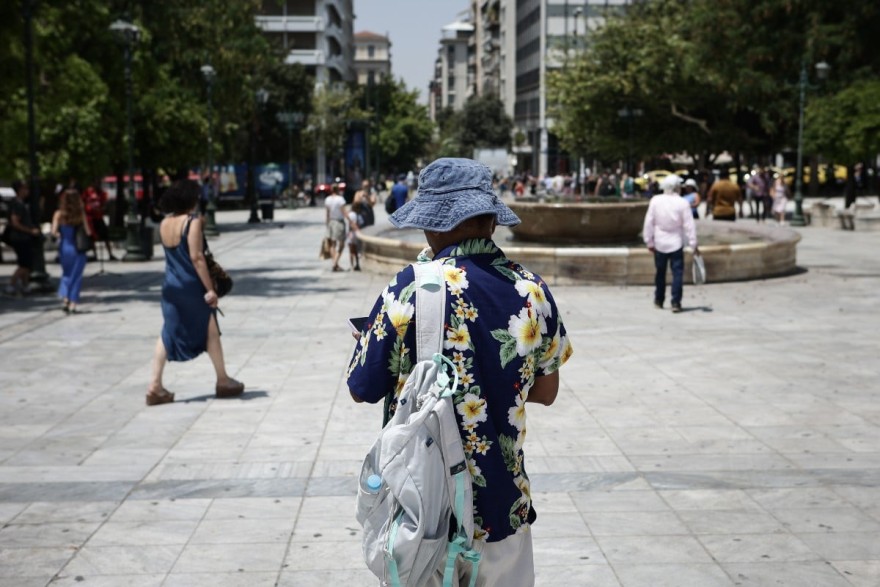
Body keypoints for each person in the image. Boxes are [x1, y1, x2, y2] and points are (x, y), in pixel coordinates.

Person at [347, 158, 573, 586]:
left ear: (433, 226)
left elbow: (362, 386)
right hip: (504, 506)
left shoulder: (409, 288)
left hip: (425, 513)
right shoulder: (532, 290)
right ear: (491, 222)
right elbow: (547, 391)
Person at [147, 179, 244, 406]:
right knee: (210, 329)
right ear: (190, 200)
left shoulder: (164, 223)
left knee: (167, 332)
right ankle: (223, 380)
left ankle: (154, 386)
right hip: (192, 286)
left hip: (170, 286)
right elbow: (197, 257)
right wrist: (210, 289)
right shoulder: (192, 222)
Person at [643, 174, 699, 313]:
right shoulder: (683, 203)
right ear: (676, 188)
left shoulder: (655, 200)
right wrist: (693, 244)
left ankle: (659, 300)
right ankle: (676, 302)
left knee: (660, 273)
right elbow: (689, 225)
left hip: (660, 243)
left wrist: (648, 241)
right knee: (677, 274)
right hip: (676, 243)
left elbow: (649, 222)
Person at [51, 189, 91, 313]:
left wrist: (61, 234)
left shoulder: (58, 214)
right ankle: (73, 303)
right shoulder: (80, 214)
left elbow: (54, 233)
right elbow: (88, 232)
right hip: (78, 249)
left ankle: (65, 299)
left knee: (66, 274)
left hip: (65, 247)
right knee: (76, 276)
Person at [4, 180, 41, 297]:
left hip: (23, 238)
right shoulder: (17, 204)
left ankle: (25, 286)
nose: (27, 191)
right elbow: (15, 222)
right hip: (20, 238)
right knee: (25, 265)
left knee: (26, 263)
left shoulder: (20, 203)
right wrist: (30, 231)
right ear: (20, 190)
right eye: (25, 188)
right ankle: (11, 285)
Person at [82, 182, 117, 261]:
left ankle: (110, 254)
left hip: (99, 217)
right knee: (92, 238)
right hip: (91, 218)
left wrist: (102, 208)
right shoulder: (87, 192)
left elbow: (104, 204)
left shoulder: (101, 193)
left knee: (105, 236)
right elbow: (84, 203)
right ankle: (95, 255)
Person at [324, 183, 347, 272]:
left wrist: (327, 224)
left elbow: (327, 213)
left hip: (331, 222)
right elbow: (344, 211)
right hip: (339, 222)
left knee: (333, 244)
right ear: (338, 190)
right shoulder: (340, 199)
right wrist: (350, 220)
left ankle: (335, 263)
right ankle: (335, 263)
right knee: (341, 244)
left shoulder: (327, 199)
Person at [346, 199, 364, 271]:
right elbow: (359, 223)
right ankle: (357, 264)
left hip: (349, 234)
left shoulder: (349, 214)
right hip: (354, 234)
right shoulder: (356, 215)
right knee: (356, 251)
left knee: (350, 251)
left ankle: (351, 265)